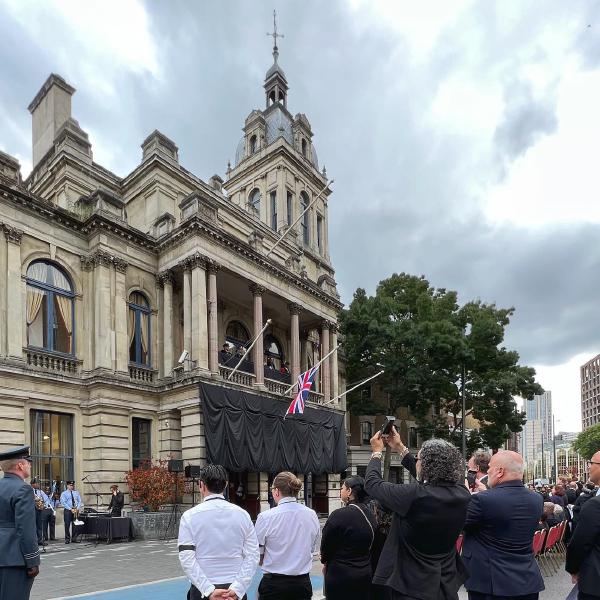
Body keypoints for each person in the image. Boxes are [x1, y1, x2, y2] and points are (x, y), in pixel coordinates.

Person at [365, 428, 471, 600]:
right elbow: (430, 478)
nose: (417, 462)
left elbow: (372, 484)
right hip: (444, 582)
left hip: (410, 585)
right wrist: (400, 447)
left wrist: (377, 452)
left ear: (427, 465)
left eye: (418, 459)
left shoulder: (413, 496)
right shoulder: (462, 494)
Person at [462, 450, 544, 600]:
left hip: (491, 584)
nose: (488, 472)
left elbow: (458, 524)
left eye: (490, 468)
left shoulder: (482, 500)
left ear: (500, 471)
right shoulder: (536, 499)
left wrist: (464, 495)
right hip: (527, 580)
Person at [178, 464, 259, 599]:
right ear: (226, 485)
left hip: (202, 590)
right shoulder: (243, 515)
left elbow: (186, 558)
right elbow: (253, 555)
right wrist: (238, 588)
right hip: (233, 590)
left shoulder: (189, 516)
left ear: (201, 485)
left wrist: (208, 590)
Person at [254, 472, 319, 599]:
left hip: (274, 584)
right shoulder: (311, 514)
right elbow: (311, 548)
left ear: (276, 491)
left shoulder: (266, 517)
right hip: (302, 583)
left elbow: (258, 553)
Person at [320, 475, 377, 600]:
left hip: (341, 574)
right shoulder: (371, 514)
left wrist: (324, 561)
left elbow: (326, 544)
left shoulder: (339, 515)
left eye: (342, 488)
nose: (341, 491)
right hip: (364, 572)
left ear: (349, 491)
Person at [0, 445, 40, 600]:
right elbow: (26, 529)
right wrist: (32, 561)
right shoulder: (23, 489)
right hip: (14, 559)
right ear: (20, 465)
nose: (30, 465)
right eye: (28, 462)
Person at [566, 450, 600, 600]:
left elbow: (580, 541)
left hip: (595, 583)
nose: (588, 467)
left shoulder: (594, 505)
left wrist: (573, 568)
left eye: (591, 463)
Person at [31, 478, 52, 546]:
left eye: (38, 483)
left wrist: (44, 505)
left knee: (40, 526)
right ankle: (33, 541)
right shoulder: (29, 491)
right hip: (32, 510)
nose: (38, 485)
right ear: (32, 484)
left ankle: (40, 540)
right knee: (33, 526)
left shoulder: (40, 491)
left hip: (40, 510)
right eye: (37, 483)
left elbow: (47, 499)